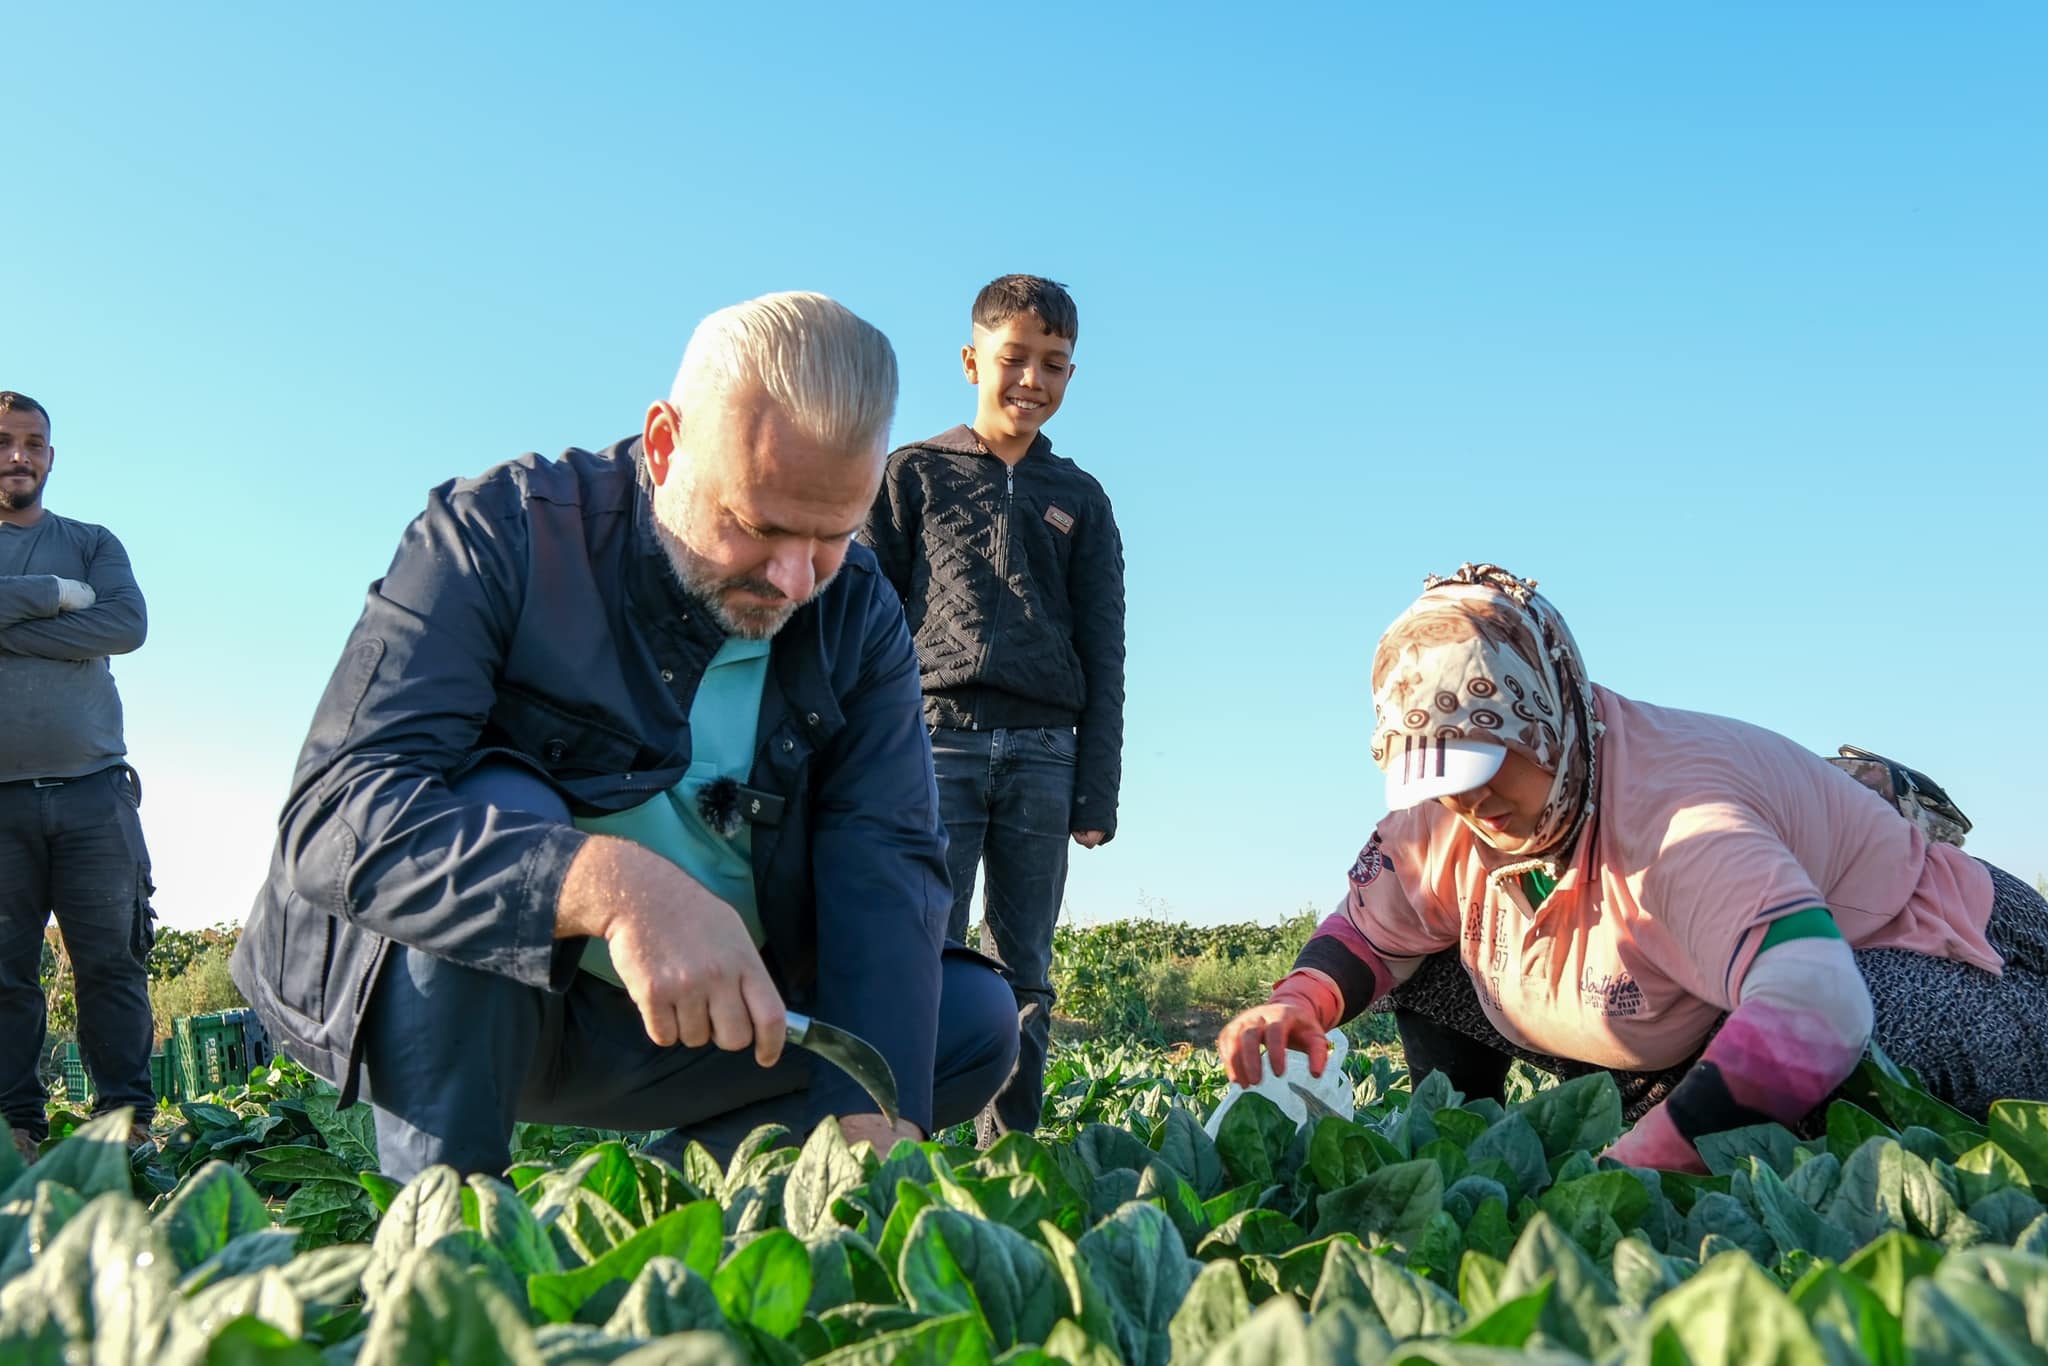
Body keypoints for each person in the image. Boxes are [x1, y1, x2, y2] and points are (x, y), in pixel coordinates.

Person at [231, 294, 1019, 1181]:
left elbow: (887, 862)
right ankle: (447, 1241)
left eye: (831, 535)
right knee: (500, 801)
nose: (796, 578)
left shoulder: (857, 610)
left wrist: (873, 1127)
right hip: (479, 1010)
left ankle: (663, 1204)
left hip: (704, 1023)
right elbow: (336, 816)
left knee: (957, 1025)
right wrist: (608, 888)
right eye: (759, 528)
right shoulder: (496, 534)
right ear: (663, 445)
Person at [1219, 563, 2048, 1173]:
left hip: (1932, 958)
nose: (1470, 807)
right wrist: (1299, 1004)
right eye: (1440, 781)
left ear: (1546, 720)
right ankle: (1463, 1133)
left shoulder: (1678, 823)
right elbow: (1375, 921)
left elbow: (1818, 1005)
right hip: (1692, 1004)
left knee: (1838, 1096)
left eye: (1483, 769)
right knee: (1431, 958)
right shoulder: (1452, 810)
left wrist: (1636, 1172)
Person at [862, 275, 1126, 1141]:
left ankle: (1013, 1156)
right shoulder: (913, 476)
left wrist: (1096, 791)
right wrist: (863, 762)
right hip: (932, 746)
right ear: (975, 360)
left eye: (1053, 365)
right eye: (1015, 359)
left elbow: (1105, 650)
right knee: (919, 954)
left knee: (1026, 970)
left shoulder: (1082, 499)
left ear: (1070, 378)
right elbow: (864, 628)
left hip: (1047, 756)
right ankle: (906, 1141)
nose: (1031, 381)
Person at [0, 391, 156, 1165]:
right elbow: (89, 621)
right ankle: (16, 1129)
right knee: (4, 975)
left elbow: (125, 625)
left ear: (51, 457)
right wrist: (52, 599)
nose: (18, 455)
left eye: (33, 443)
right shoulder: (69, 571)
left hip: (96, 790)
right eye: (4, 442)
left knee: (111, 965)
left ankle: (125, 1123)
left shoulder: (93, 541)